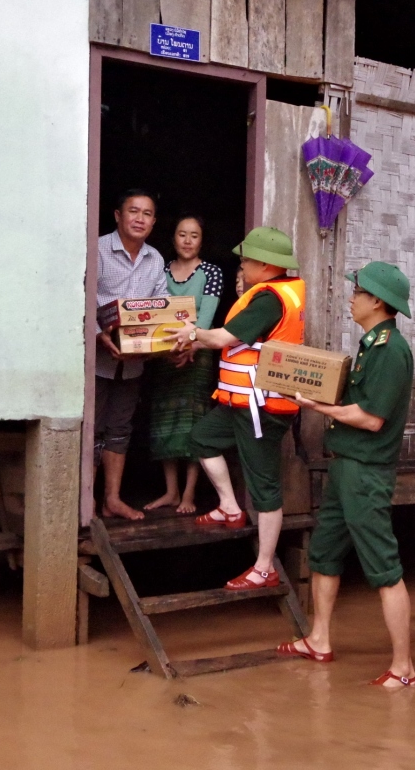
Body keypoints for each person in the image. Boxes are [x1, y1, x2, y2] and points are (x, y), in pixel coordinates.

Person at [279, 262, 415, 687]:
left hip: (366, 471)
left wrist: (317, 406)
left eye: (357, 292)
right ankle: (319, 638)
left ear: (377, 301)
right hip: (345, 466)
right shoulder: (371, 344)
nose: (351, 298)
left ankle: (404, 667)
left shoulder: (391, 350)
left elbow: (372, 417)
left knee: (383, 567)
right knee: (324, 552)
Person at [168, 227, 304, 591]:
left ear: (264, 264)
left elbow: (222, 338)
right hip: (240, 403)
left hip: (262, 408)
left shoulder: (268, 300)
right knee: (202, 438)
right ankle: (229, 506)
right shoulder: (271, 294)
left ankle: (264, 568)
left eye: (245, 260)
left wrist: (193, 333)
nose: (240, 266)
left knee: (264, 489)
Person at [94, 189, 168, 521]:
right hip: (96, 361)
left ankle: (112, 499)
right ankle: (86, 504)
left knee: (120, 429)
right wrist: (98, 335)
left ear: (153, 221)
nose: (139, 219)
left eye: (147, 214)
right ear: (117, 215)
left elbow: (160, 306)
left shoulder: (155, 259)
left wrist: (158, 344)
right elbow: (81, 295)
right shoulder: (96, 249)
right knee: (91, 429)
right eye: (133, 211)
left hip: (133, 364)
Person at [144, 215, 223, 514]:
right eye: (182, 234)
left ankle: (189, 494)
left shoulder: (211, 272)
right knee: (164, 419)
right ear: (173, 238)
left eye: (194, 235)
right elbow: (152, 311)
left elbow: (206, 318)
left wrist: (191, 345)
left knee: (194, 420)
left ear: (202, 240)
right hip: (165, 353)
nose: (188, 241)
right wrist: (167, 349)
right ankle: (171, 492)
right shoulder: (160, 271)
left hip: (198, 352)